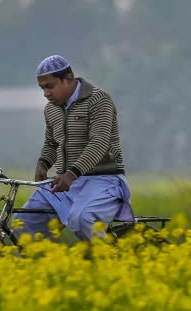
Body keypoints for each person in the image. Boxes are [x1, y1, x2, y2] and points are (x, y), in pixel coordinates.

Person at [13, 55, 134, 240]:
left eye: (50, 86)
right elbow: (51, 143)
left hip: (102, 181)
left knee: (83, 219)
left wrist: (71, 174)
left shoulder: (99, 100)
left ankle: (109, 264)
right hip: (65, 183)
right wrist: (43, 163)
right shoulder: (51, 109)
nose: (46, 93)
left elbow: (99, 143)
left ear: (68, 79)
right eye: (42, 88)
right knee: (23, 223)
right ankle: (41, 267)